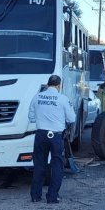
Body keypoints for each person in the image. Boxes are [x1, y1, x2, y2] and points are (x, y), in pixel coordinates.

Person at [28, 75, 76, 203]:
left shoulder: (36, 97)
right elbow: (72, 119)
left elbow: (31, 117)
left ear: (48, 84)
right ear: (59, 85)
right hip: (56, 136)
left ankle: (35, 196)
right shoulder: (63, 99)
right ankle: (52, 196)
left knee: (39, 165)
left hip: (40, 135)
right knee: (57, 166)